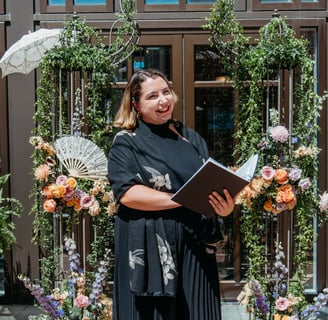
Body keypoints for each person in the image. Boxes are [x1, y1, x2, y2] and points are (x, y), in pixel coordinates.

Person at [107, 69, 235, 320]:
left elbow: (209, 183)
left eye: (166, 92)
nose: (163, 101)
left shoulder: (190, 138)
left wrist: (224, 207)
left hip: (195, 248)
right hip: (150, 250)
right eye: (152, 96)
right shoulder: (126, 142)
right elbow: (127, 193)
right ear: (136, 105)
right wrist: (182, 199)